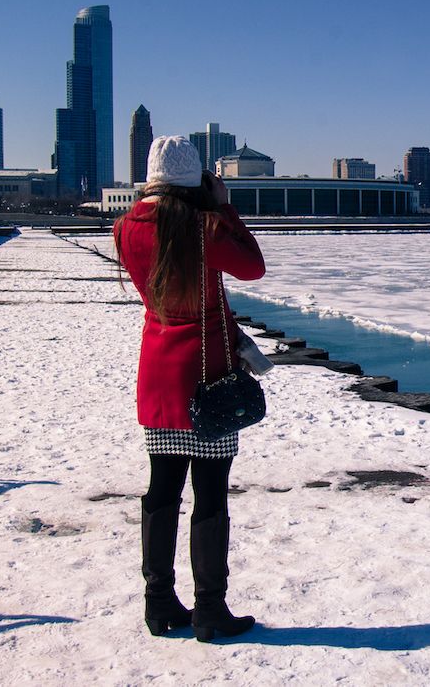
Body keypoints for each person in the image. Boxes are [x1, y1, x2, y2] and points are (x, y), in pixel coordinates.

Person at [114, 136, 266, 641]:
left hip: (158, 369)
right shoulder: (204, 228)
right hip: (206, 375)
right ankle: (209, 610)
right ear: (194, 178)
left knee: (161, 491)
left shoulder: (125, 227)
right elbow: (252, 265)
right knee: (210, 495)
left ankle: (158, 603)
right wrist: (225, 208)